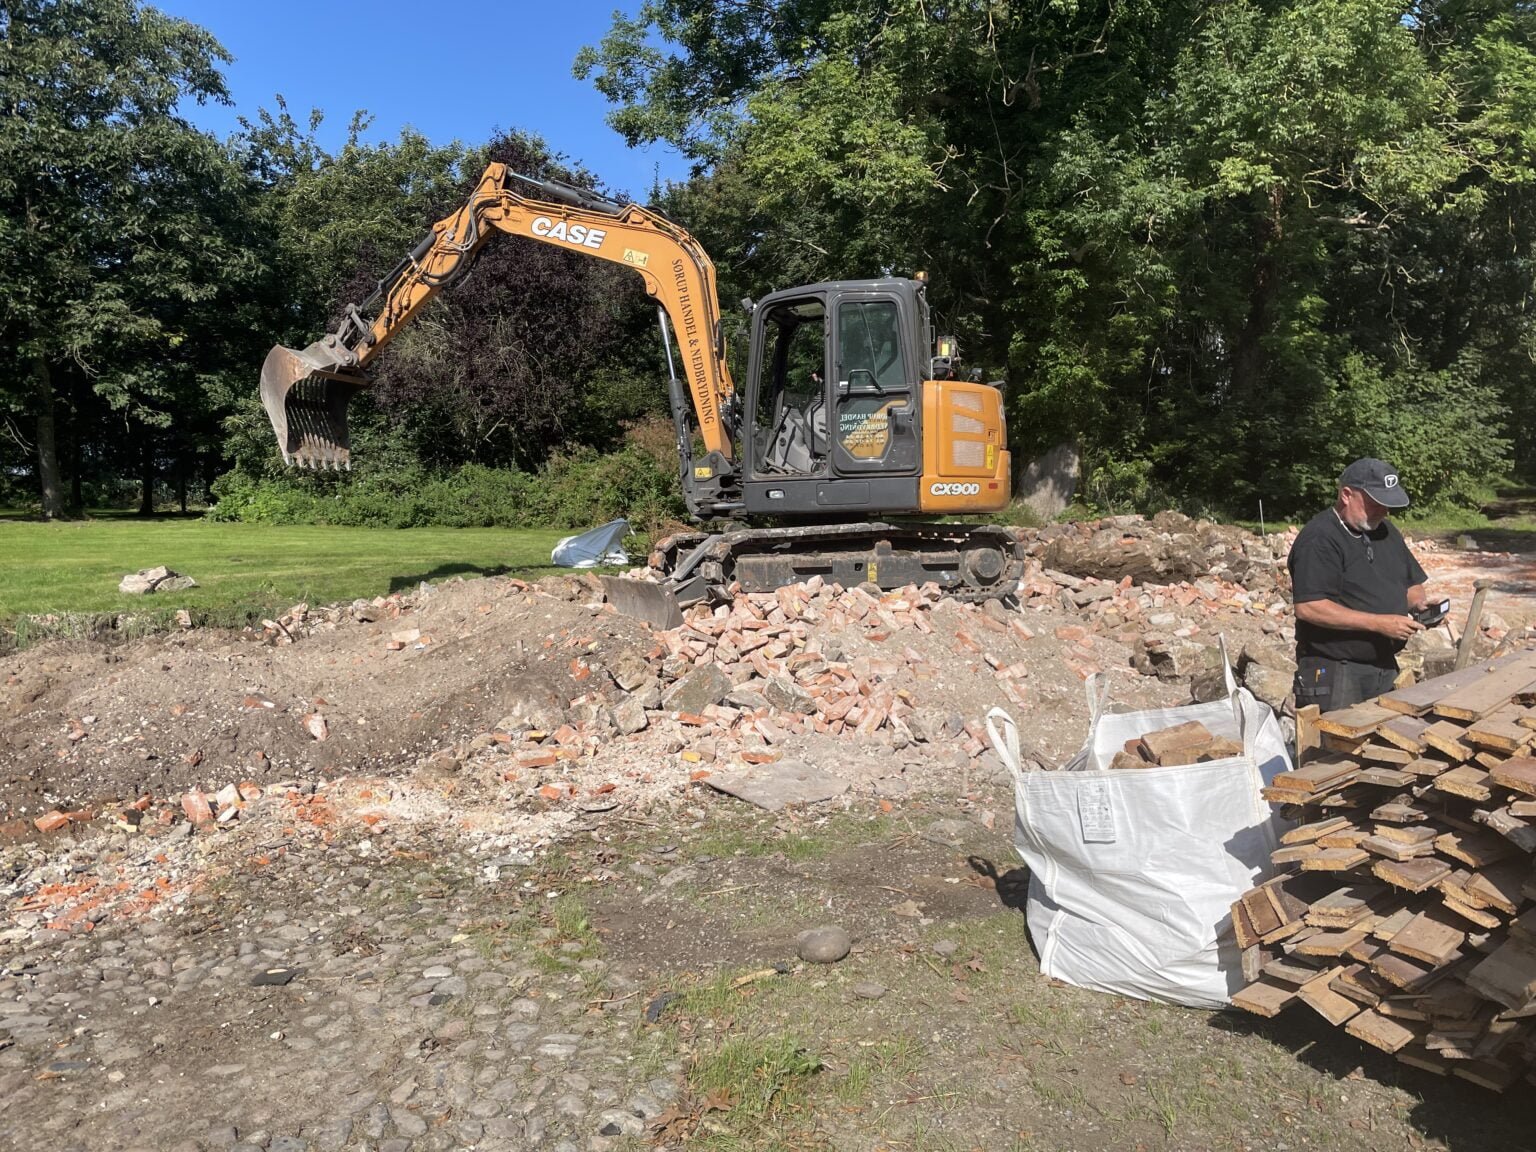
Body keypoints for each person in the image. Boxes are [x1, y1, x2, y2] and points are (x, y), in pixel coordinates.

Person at [1288, 458, 1429, 713]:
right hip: (1335, 669)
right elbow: (1310, 607)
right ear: (1346, 495)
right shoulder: (1320, 539)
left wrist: (1420, 604)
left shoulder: (1385, 531)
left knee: (1382, 746)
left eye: (1388, 505)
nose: (1384, 511)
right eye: (1375, 503)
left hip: (1383, 665)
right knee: (1332, 749)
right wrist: (1379, 623)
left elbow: (1411, 583)